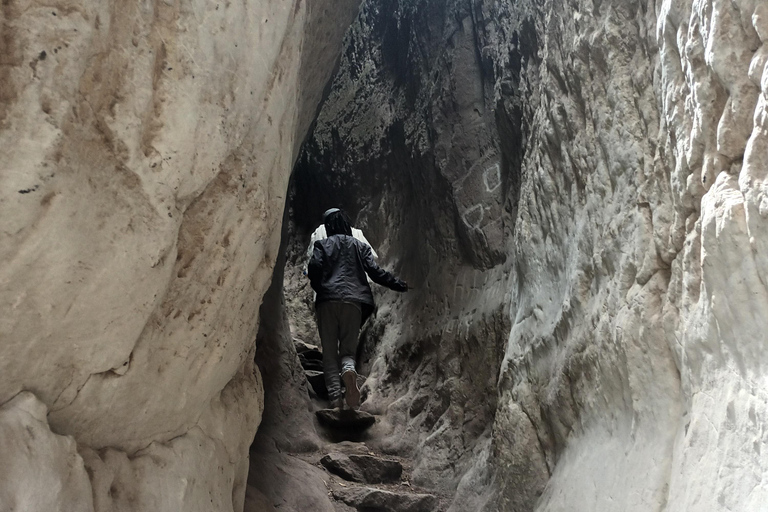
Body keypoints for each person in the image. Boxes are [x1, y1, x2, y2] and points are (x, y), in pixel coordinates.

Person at [307, 208, 408, 410]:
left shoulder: (322, 244)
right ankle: (349, 372)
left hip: (327, 301)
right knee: (347, 352)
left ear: (328, 227)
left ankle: (335, 401)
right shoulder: (360, 246)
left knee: (329, 353)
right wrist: (397, 284)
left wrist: (321, 287)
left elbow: (314, 268)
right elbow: (375, 271)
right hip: (354, 302)